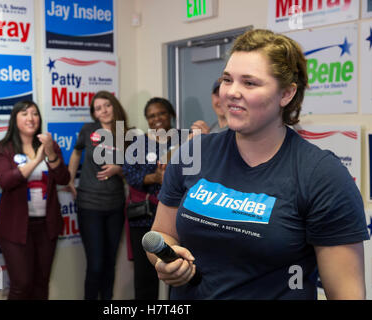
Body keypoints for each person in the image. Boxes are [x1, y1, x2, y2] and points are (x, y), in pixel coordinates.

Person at [147, 29, 370, 299]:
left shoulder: (321, 175)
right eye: (227, 80)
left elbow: (347, 293)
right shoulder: (192, 154)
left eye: (250, 83)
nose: (231, 93)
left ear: (286, 94)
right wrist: (165, 260)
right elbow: (161, 233)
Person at [0, 100, 70, 300]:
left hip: (46, 225)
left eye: (35, 114)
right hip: (15, 226)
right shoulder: (3, 148)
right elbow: (5, 181)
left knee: (41, 282)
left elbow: (64, 178)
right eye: (25, 114)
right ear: (14, 119)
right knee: (21, 284)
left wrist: (50, 154)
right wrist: (35, 160)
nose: (31, 118)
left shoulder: (50, 146)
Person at [68, 90, 129, 300]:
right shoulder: (88, 130)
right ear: (94, 114)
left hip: (115, 205)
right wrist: (69, 179)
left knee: (110, 263)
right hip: (90, 205)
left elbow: (133, 167)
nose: (103, 111)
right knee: (95, 265)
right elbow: (76, 152)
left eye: (107, 105)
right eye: (98, 108)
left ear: (114, 105)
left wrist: (118, 169)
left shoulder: (126, 133)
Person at [123, 97, 178, 299]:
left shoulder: (184, 141)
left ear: (171, 115)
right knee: (145, 276)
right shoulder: (139, 144)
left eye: (161, 113)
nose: (157, 119)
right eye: (151, 116)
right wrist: (154, 177)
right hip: (144, 217)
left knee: (177, 271)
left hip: (175, 218)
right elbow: (129, 173)